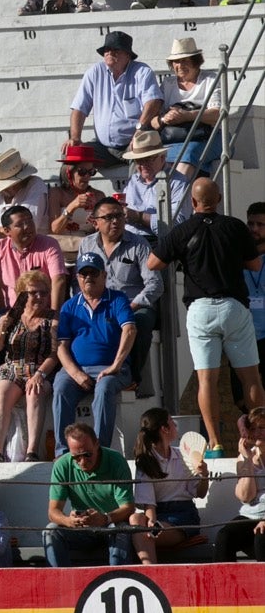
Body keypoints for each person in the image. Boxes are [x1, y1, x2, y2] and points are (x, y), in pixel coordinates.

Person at [150, 179, 265, 455]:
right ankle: (262, 435)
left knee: (206, 380)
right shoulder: (236, 227)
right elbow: (255, 263)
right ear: (220, 199)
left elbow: (153, 263)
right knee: (251, 377)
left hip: (200, 309)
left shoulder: (182, 230)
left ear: (192, 202)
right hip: (233, 305)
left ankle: (214, 443)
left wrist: (182, 257)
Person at [81, 187, 165, 390]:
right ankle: (82, 375)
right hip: (98, 304)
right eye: (109, 217)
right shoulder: (87, 244)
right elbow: (80, 281)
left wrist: (130, 306)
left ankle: (132, 377)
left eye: (119, 215)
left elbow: (155, 284)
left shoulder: (139, 244)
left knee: (141, 322)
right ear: (95, 222)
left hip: (133, 304)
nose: (116, 221)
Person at [53, 247, 137, 445]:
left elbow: (130, 330)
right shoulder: (69, 306)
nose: (88, 277)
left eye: (93, 272)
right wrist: (76, 373)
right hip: (77, 369)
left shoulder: (117, 299)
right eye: (83, 273)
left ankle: (101, 449)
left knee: (105, 386)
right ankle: (63, 452)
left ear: (104, 275)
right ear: (77, 277)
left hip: (113, 368)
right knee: (60, 386)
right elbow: (61, 346)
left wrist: (114, 367)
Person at [0, 269, 60, 461]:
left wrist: (40, 374)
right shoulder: (12, 317)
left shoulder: (52, 319)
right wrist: (2, 328)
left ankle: (32, 451)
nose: (39, 297)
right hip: (12, 368)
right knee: (1, 392)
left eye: (44, 293)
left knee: (35, 391)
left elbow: (55, 354)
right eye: (33, 293)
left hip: (39, 368)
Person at [69, 28, 163, 171]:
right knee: (71, 158)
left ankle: (136, 192)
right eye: (107, 50)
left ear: (128, 55)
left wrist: (140, 130)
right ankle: (80, 194)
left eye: (116, 49)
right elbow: (79, 108)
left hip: (134, 142)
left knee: (141, 161)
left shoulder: (142, 71)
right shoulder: (94, 72)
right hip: (103, 146)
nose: (109, 53)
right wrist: (75, 138)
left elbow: (153, 102)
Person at [44, 422, 136, 568]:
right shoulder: (61, 465)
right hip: (81, 529)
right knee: (51, 531)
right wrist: (69, 521)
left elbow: (128, 507)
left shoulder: (116, 461)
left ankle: (118, 579)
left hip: (111, 525)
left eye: (87, 454)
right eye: (76, 457)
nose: (82, 461)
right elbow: (53, 511)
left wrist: (105, 518)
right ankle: (60, 583)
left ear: (97, 444)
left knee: (120, 531)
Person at [129, 408, 208, 564]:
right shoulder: (146, 461)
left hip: (183, 514)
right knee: (136, 519)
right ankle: (151, 570)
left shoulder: (183, 456)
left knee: (147, 532)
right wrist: (151, 522)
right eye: (172, 421)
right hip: (158, 514)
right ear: (164, 429)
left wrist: (204, 475)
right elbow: (149, 503)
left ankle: (151, 571)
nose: (175, 425)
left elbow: (200, 493)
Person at [0, 204, 66, 316]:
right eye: (20, 224)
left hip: (42, 313)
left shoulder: (49, 244)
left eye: (29, 221)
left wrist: (54, 317)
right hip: (11, 314)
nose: (27, 226)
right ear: (7, 230)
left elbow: (59, 280)